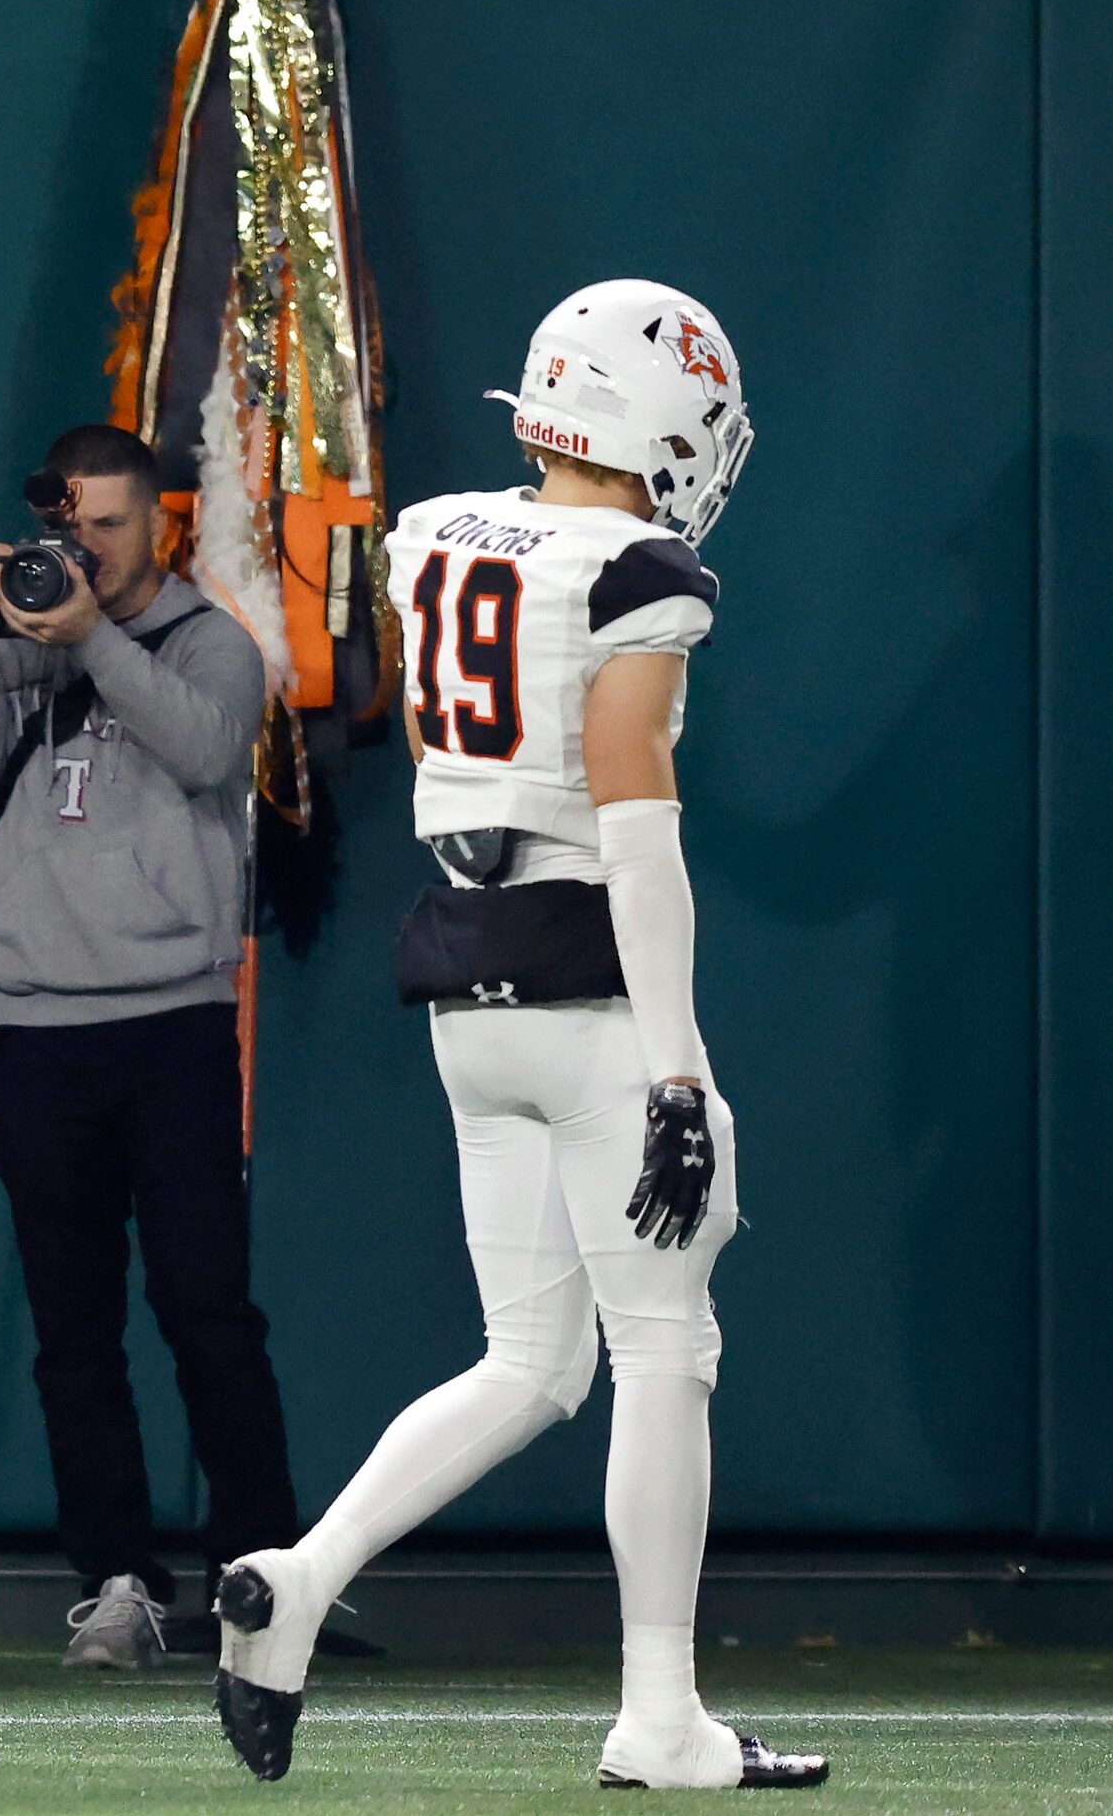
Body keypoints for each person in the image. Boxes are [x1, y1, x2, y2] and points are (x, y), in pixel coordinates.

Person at [211, 282, 827, 1790]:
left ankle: (296, 1576)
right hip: (587, 988)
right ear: (658, 420)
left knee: (529, 1359)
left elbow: (451, 750)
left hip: (466, 988)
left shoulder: (439, 531)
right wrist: (676, 1064)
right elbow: (634, 826)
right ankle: (659, 1714)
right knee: (664, 1351)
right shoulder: (637, 567)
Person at [0, 424, 298, 1668]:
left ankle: (267, 1576)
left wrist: (93, 640)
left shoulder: (210, 638)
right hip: (35, 1025)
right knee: (74, 1324)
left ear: (160, 524)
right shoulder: (15, 645)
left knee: (207, 1308)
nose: (89, 551)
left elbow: (212, 747)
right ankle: (117, 1580)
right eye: (77, 528)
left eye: (114, 526)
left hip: (172, 1019)